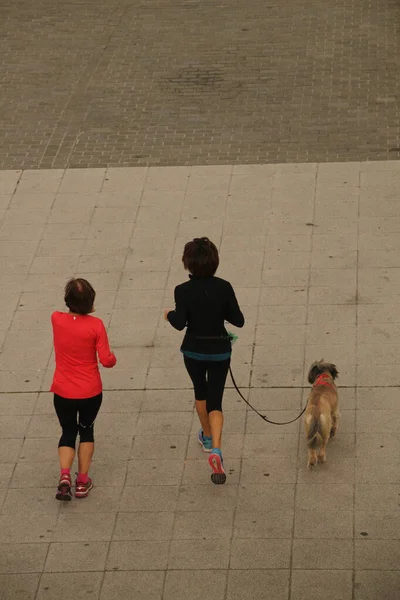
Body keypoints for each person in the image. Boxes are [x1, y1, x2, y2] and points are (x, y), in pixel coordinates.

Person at [164, 237, 244, 484]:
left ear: (188, 264)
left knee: (201, 392)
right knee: (216, 400)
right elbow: (238, 319)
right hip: (219, 351)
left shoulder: (182, 290)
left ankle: (207, 438)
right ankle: (217, 448)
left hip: (194, 351)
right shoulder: (224, 287)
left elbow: (180, 323)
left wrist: (168, 315)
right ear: (215, 262)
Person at [51, 278, 116, 501]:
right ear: (91, 301)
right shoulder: (96, 325)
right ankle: (82, 481)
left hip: (62, 390)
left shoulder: (56, 319)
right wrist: (113, 358)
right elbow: (106, 360)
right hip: (90, 392)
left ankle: (65, 476)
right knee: (86, 431)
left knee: (68, 431)